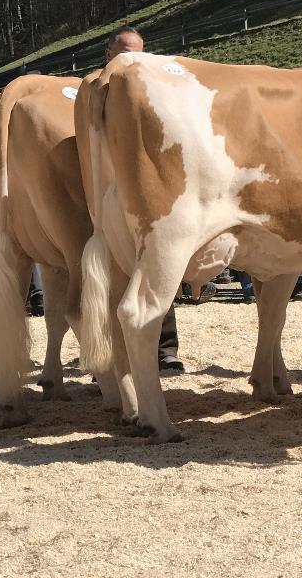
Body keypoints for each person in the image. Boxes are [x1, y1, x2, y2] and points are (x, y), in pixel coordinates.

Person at [107, 25, 186, 374]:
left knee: (157, 269)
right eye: (125, 52)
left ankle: (166, 349)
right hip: (109, 193)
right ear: (109, 55)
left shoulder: (156, 92)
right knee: (111, 277)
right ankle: (114, 358)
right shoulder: (95, 89)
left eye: (139, 53)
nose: (132, 59)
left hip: (147, 193)